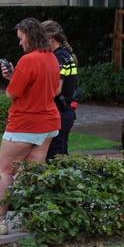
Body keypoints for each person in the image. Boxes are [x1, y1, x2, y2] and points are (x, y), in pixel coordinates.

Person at [0, 18, 61, 234]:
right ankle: (33, 218)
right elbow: (51, 89)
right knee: (32, 172)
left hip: (24, 123)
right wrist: (15, 77)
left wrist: (12, 80)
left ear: (29, 36)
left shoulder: (28, 60)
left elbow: (12, 92)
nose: (20, 43)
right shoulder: (51, 58)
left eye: (21, 39)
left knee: (4, 170)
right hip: (48, 123)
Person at [41, 20, 79, 160]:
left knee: (54, 158)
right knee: (60, 155)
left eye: (40, 38)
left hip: (60, 113)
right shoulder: (66, 55)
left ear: (49, 38)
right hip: (65, 112)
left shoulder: (58, 57)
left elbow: (56, 89)